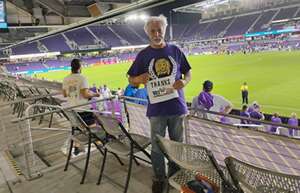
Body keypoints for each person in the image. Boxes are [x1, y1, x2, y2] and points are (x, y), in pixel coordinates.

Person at [127, 15, 191, 193]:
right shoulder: (143, 55)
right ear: (148, 33)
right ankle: (159, 178)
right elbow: (131, 80)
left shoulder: (175, 50)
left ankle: (175, 174)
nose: (156, 33)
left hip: (177, 108)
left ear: (164, 30)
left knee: (177, 146)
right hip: (156, 110)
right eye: (152, 31)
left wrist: (184, 82)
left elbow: (188, 72)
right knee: (157, 148)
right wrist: (139, 78)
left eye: (159, 30)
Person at [62, 58, 100, 155]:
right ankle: (99, 143)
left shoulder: (66, 79)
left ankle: (76, 147)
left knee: (78, 128)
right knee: (92, 127)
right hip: (83, 108)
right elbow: (85, 95)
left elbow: (65, 94)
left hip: (73, 109)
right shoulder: (82, 78)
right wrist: (95, 95)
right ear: (80, 67)